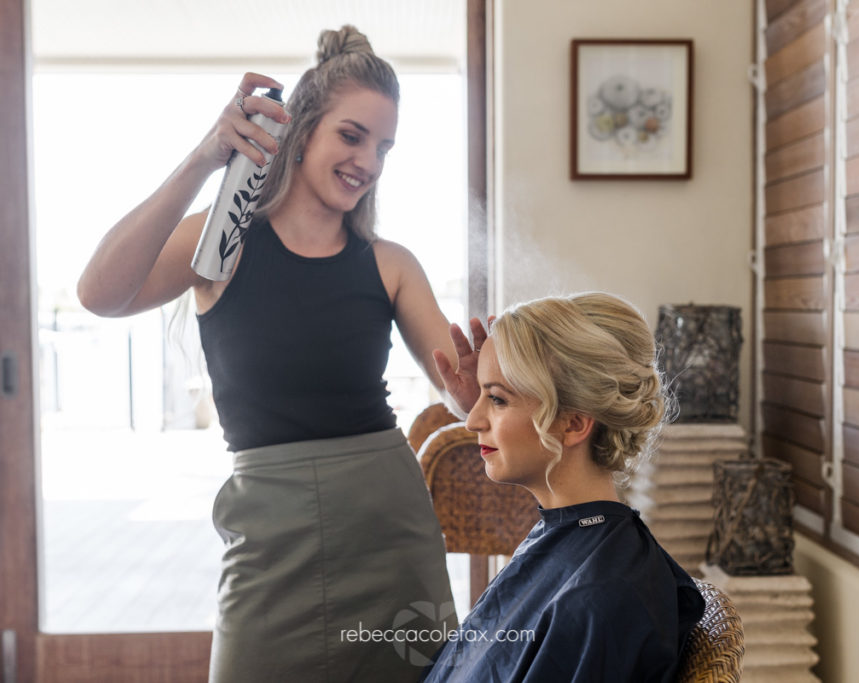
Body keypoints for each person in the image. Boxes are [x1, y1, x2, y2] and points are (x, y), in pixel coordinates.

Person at [77, 25, 484, 683]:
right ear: (299, 133)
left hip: (391, 538)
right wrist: (208, 156)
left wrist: (472, 393)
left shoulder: (390, 264)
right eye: (351, 136)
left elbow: (460, 392)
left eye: (384, 146)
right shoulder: (222, 244)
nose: (369, 161)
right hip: (269, 543)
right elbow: (100, 292)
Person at [421, 292, 706, 683]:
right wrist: (496, 406)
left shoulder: (604, 600)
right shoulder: (573, 534)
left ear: (572, 424)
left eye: (498, 399)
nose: (470, 422)